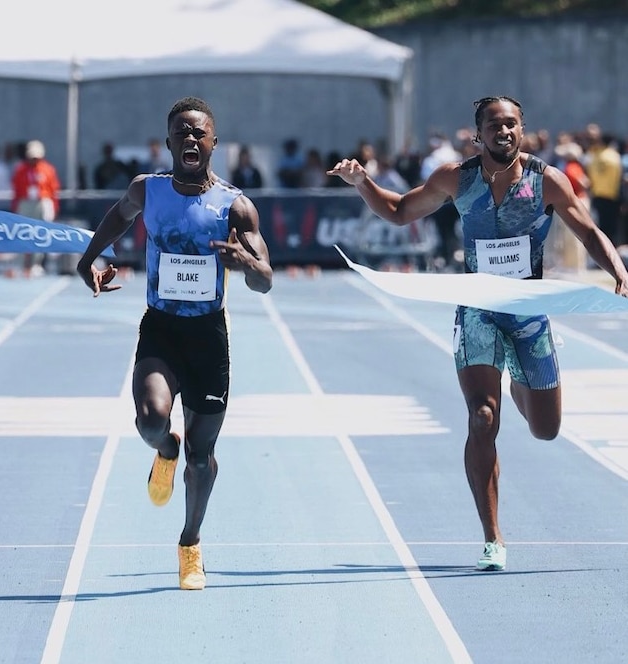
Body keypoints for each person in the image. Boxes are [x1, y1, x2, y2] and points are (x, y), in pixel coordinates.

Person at [327, 95, 628, 572]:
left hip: (528, 312)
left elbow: (589, 231)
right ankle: (492, 538)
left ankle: (518, 374)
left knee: (546, 430)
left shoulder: (545, 181)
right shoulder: (456, 178)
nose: (504, 132)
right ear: (479, 135)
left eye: (511, 125)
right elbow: (401, 211)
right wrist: (362, 181)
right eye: (494, 126)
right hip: (478, 310)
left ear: (521, 131)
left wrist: (617, 269)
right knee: (482, 418)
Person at [76, 96, 273, 590]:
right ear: (169, 142)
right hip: (162, 327)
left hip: (208, 337)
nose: (190, 139)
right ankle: (165, 449)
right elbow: (119, 217)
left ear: (213, 143)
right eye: (181, 132)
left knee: (202, 457)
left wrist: (246, 263)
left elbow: (266, 279)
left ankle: (190, 544)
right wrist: (88, 259)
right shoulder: (149, 190)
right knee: (150, 419)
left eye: (198, 132)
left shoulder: (235, 205)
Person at [11, 139, 61, 277]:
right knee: (23, 233)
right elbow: (16, 189)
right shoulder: (21, 170)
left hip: (42, 202)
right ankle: (21, 264)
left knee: (40, 234)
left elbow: (53, 189)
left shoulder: (48, 169)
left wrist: (54, 207)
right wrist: (16, 206)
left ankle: (36, 264)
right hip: (26, 203)